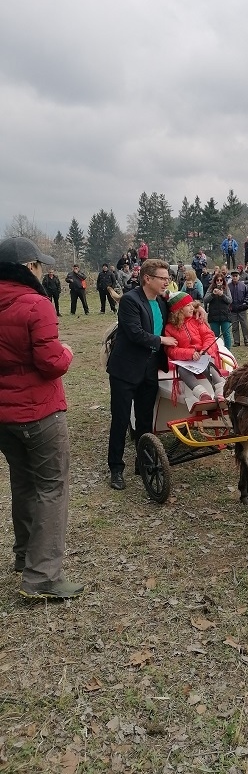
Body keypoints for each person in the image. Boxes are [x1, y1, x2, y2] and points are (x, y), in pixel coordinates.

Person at [0, 237, 84, 599]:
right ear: (28, 268)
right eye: (39, 265)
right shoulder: (36, 305)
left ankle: (25, 555)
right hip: (39, 413)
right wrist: (65, 353)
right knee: (52, 487)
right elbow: (50, 364)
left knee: (22, 482)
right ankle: (42, 576)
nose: (43, 270)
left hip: (4, 416)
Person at [106, 259, 178, 490]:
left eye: (168, 278)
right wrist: (161, 340)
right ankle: (116, 468)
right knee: (121, 419)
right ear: (148, 279)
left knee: (146, 419)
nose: (167, 282)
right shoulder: (130, 300)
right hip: (125, 370)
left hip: (149, 369)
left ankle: (143, 461)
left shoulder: (162, 302)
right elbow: (135, 333)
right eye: (163, 278)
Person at [164, 293, 226, 404]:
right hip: (186, 361)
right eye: (188, 305)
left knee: (209, 365)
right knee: (182, 371)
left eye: (192, 305)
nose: (193, 308)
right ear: (178, 309)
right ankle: (202, 394)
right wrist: (190, 353)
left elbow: (209, 336)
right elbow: (171, 350)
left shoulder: (197, 321)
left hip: (204, 355)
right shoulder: (170, 328)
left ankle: (220, 392)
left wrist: (204, 350)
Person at [204, 271, 233, 350]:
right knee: (215, 335)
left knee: (226, 334)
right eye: (217, 280)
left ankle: (227, 351)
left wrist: (222, 295)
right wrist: (213, 294)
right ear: (215, 281)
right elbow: (205, 299)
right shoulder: (211, 288)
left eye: (221, 280)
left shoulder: (226, 288)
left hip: (225, 315)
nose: (219, 282)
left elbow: (230, 300)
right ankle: (216, 351)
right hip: (214, 316)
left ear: (223, 281)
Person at [229, 268, 248, 346]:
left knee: (244, 325)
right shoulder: (228, 287)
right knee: (234, 326)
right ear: (231, 277)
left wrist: (245, 303)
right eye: (233, 276)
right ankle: (236, 341)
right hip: (233, 310)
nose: (235, 277)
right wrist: (229, 306)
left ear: (239, 276)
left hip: (242, 309)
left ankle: (246, 340)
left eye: (236, 276)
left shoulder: (244, 286)